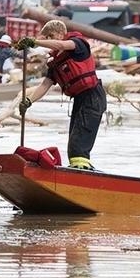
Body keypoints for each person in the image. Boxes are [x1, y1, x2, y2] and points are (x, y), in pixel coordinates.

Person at [16, 20, 107, 170]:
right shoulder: (56, 62)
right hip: (80, 99)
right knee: (73, 146)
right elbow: (44, 85)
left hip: (93, 97)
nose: (49, 42)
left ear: (60, 34)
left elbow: (61, 45)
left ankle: (82, 173)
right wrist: (28, 101)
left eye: (51, 37)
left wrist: (34, 41)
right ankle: (78, 170)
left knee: (79, 145)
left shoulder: (77, 44)